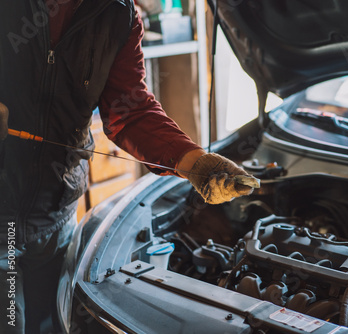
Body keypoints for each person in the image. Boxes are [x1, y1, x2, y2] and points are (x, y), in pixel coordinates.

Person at [0, 1, 252, 333]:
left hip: (57, 209)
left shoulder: (117, 12)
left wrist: (195, 163)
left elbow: (129, 111)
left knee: (52, 323)